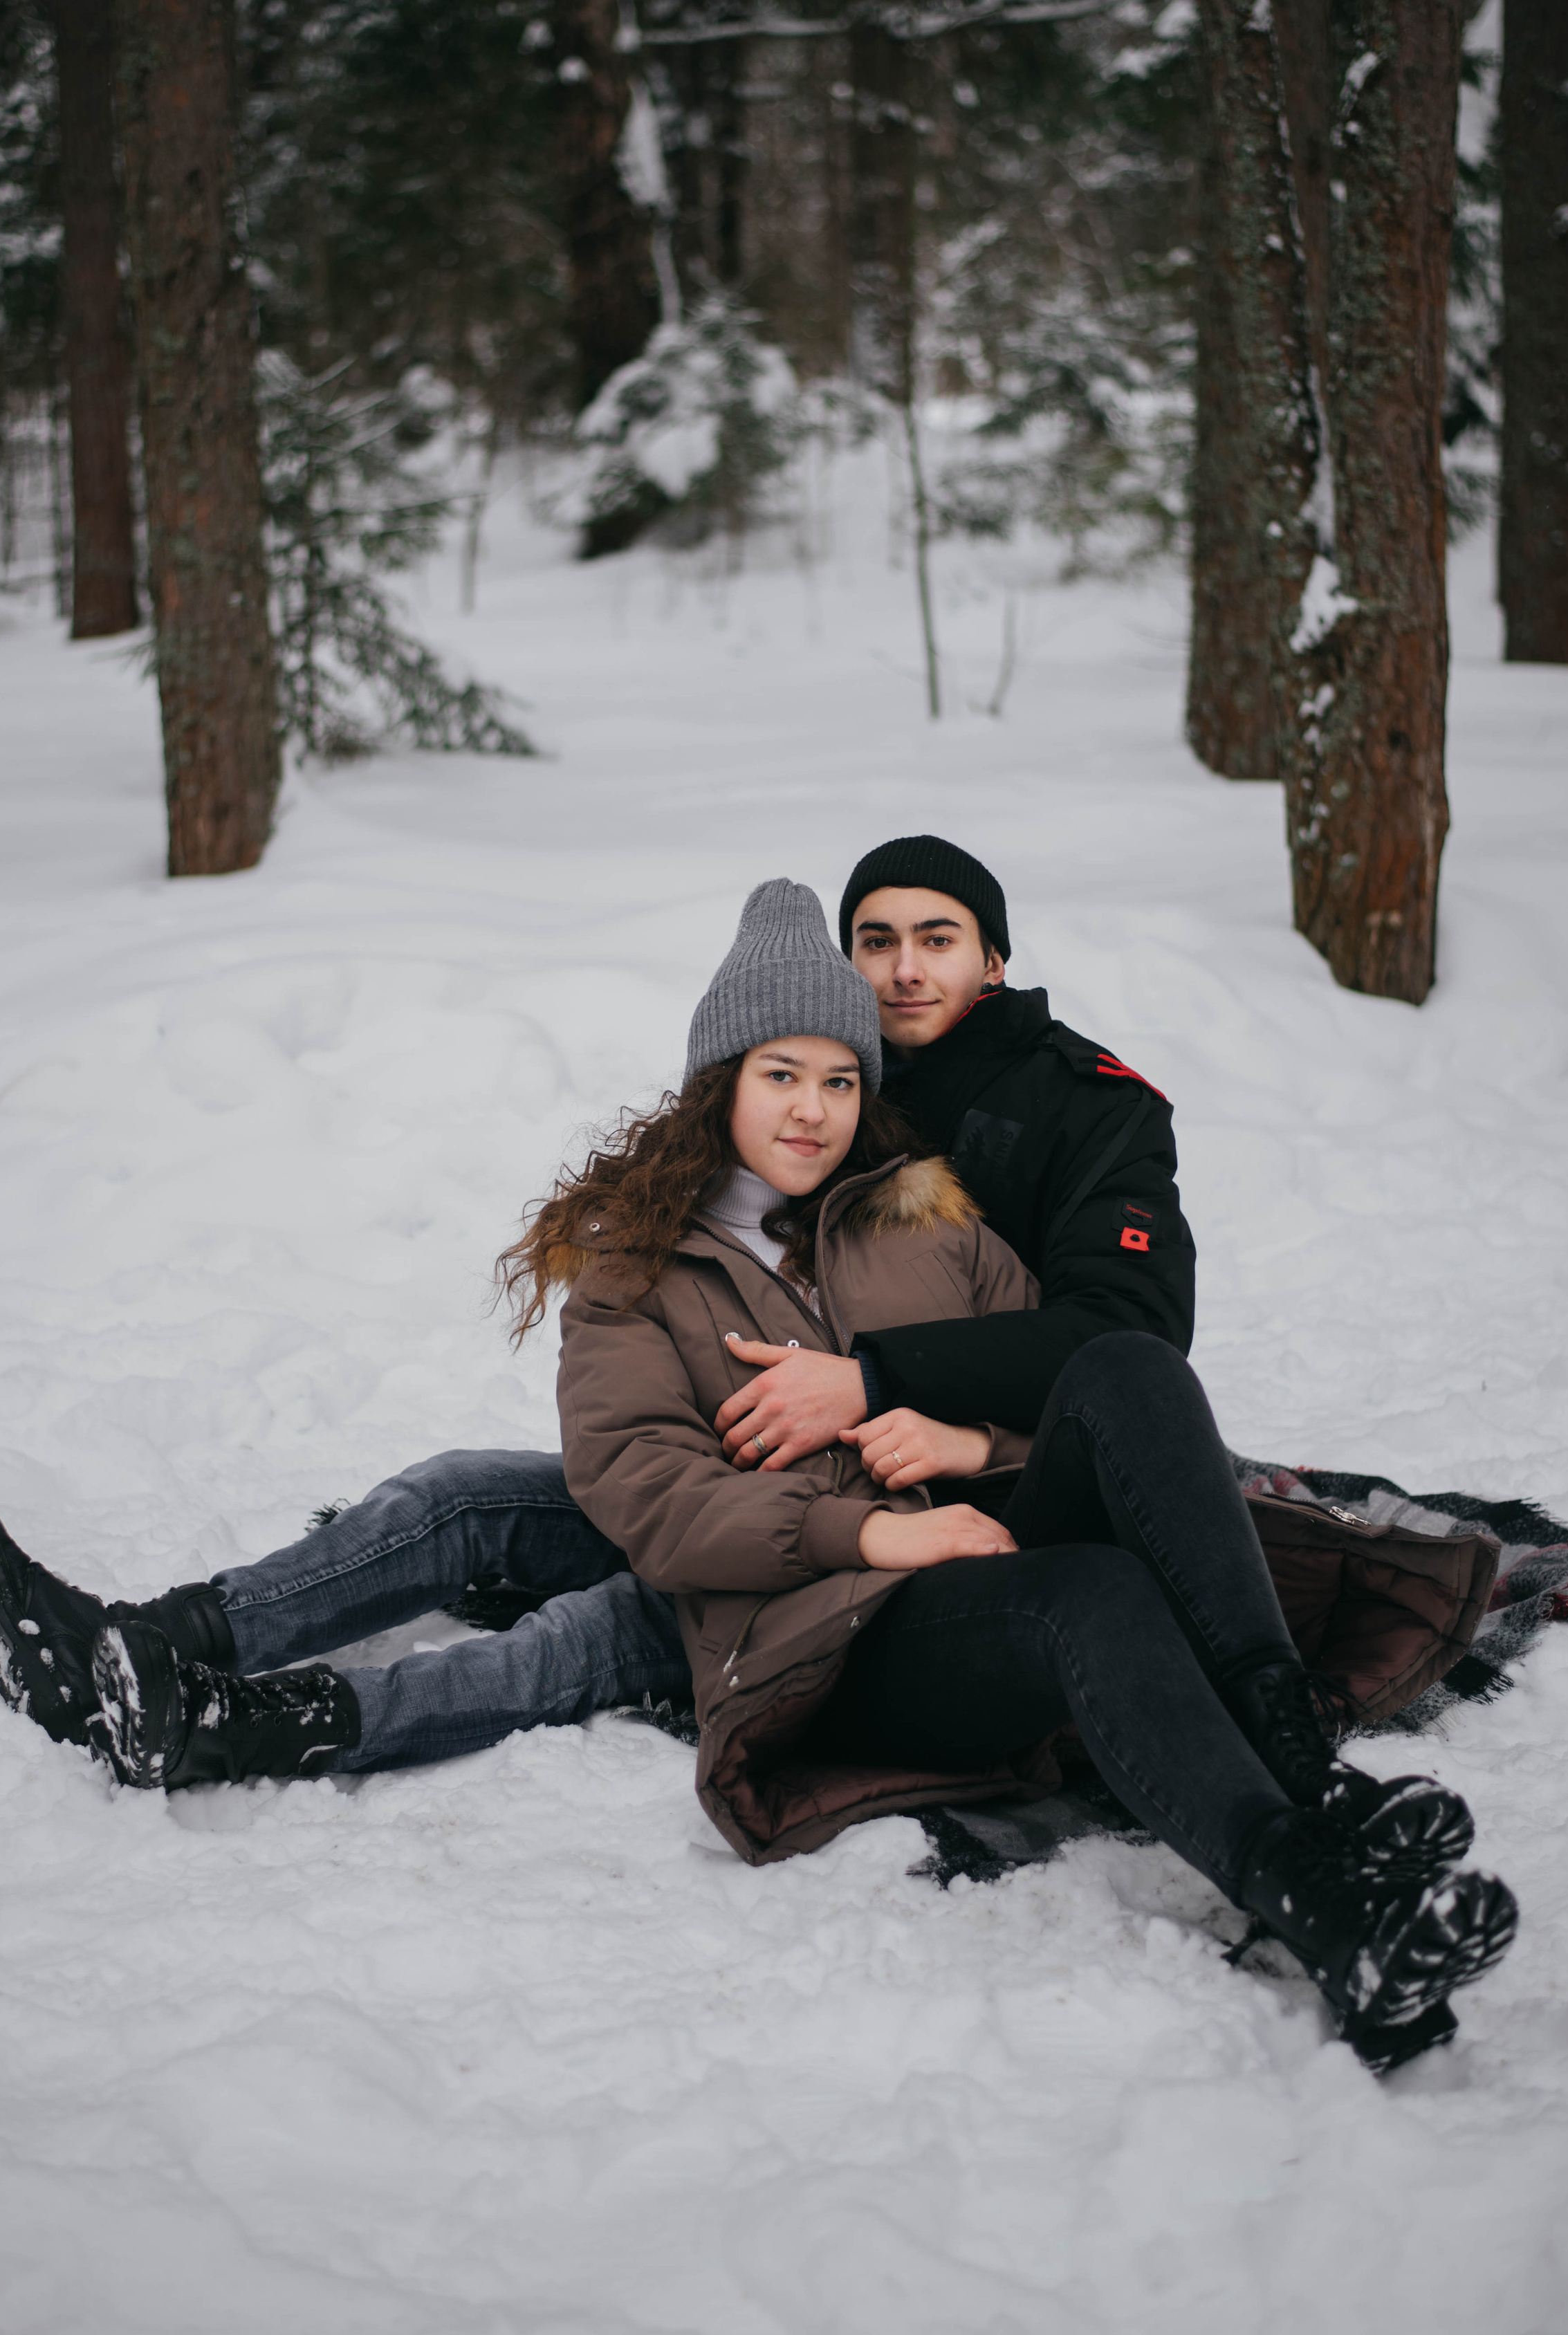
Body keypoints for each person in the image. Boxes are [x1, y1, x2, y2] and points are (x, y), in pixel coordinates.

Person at [0, 833, 1206, 1775]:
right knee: (459, 1496)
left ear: (994, 957)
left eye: (939, 939)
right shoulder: (803, 1141)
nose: (902, 970)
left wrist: (933, 1419)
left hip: (890, 1530)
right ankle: (153, 1635)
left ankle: (238, 1726)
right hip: (741, 1487)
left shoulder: (1026, 1137)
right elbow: (647, 1459)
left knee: (587, 1634)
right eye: (875, 940)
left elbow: (1109, 1359)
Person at [533, 880, 1518, 2067]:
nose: (813, 1110)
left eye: (840, 1079)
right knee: (1088, 1588)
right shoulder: (635, 1277)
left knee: (1123, 1364)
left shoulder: (928, 1221)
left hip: (981, 1570)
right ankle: (1318, 1900)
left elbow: (1065, 1402)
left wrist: (965, 1449)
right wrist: (875, 1533)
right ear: (720, 1083)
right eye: (780, 1074)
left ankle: (1305, 1773)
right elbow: (654, 1499)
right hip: (828, 1645)